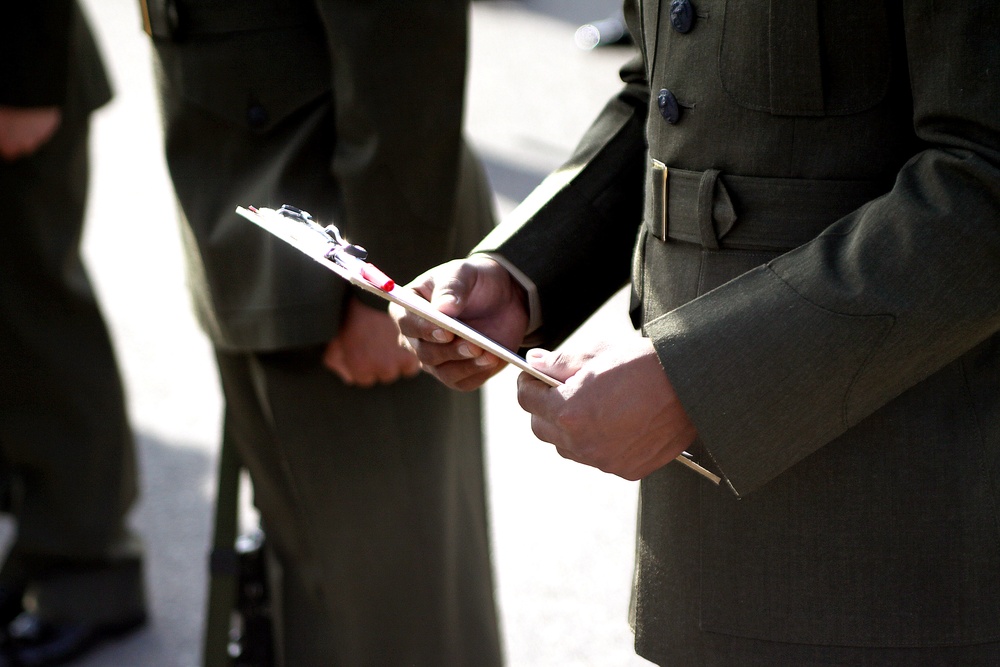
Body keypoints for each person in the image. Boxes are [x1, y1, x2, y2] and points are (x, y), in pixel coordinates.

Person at [394, 0, 1000, 664]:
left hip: (899, 544)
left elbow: (982, 181)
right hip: (700, 541)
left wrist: (699, 378)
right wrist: (522, 271)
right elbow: (664, 91)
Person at [144, 1, 503, 664]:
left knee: (399, 614)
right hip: (262, 201)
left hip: (341, 235)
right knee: (319, 591)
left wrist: (386, 284)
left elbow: (404, 31)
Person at [0, 3, 148, 665]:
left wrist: (25, 82)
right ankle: (38, 550)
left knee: (37, 322)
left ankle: (89, 573)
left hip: (20, 71)